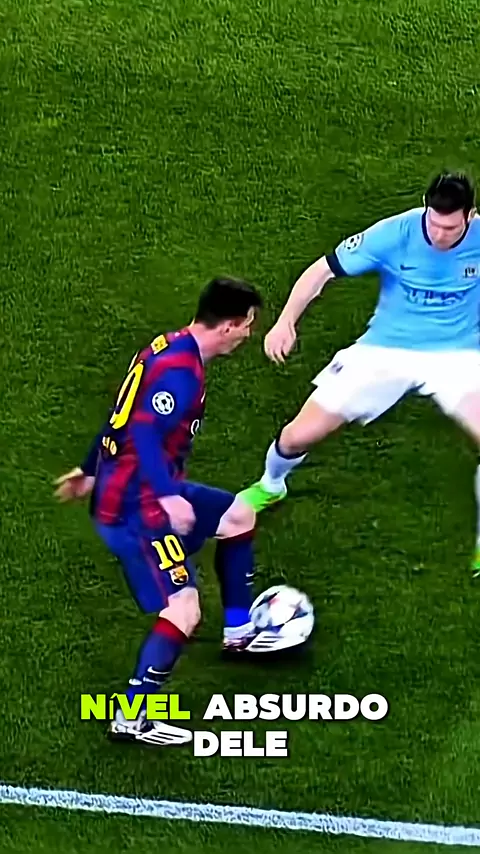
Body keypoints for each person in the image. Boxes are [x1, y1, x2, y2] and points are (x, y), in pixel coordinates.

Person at [55, 277, 277, 748]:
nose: (248, 334)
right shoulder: (181, 373)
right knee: (184, 609)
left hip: (141, 487)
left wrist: (89, 468)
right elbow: (144, 433)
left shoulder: (167, 347)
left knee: (238, 515)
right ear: (228, 325)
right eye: (247, 325)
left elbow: (121, 413)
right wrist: (168, 497)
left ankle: (239, 630)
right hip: (137, 506)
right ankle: (133, 717)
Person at [237, 172, 480, 575]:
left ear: (469, 216)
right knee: (299, 435)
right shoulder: (394, 233)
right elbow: (322, 270)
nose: (439, 234)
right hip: (386, 349)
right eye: (434, 223)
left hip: (458, 355)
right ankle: (271, 485)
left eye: (450, 228)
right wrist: (285, 322)